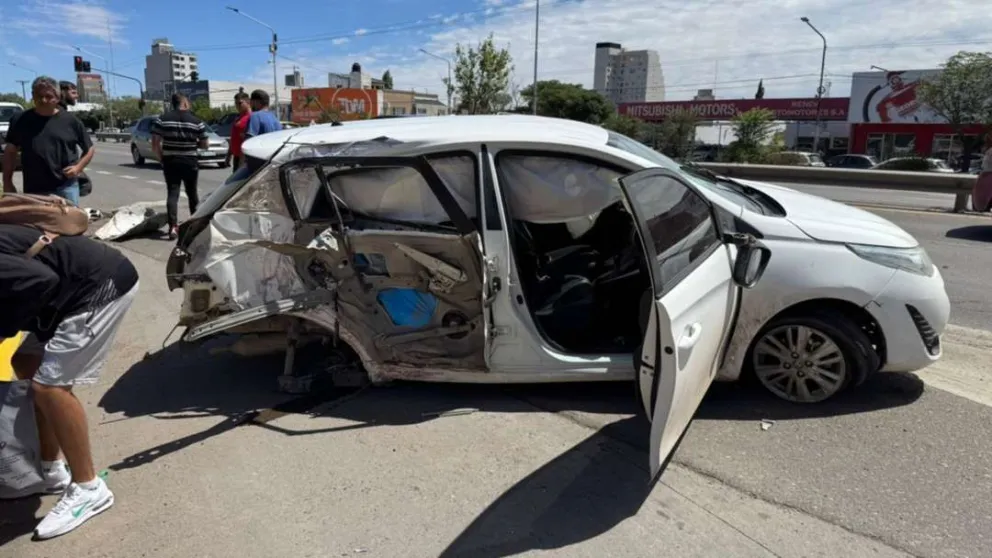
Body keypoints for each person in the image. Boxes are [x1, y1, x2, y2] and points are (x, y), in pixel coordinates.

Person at [0, 224, 139, 539]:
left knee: (50, 387)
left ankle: (89, 488)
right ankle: (51, 470)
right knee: (25, 361)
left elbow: (39, 281)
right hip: (65, 290)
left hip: (99, 285)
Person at [1, 76, 94, 206]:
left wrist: (78, 167)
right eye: (38, 95)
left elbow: (89, 148)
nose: (43, 100)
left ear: (57, 97)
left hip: (66, 186)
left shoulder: (71, 121)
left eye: (48, 96)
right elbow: (10, 152)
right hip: (34, 189)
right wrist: (7, 181)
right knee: (35, 224)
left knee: (68, 223)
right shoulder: (20, 120)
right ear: (32, 95)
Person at [151, 93, 208, 240]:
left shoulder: (162, 119)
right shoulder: (196, 121)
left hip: (171, 161)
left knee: (172, 194)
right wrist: (193, 144)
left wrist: (161, 158)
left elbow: (155, 143)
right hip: (190, 162)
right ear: (184, 103)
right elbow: (205, 144)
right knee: (192, 193)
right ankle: (194, 225)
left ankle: (173, 227)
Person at [225, 91, 252, 172]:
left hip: (245, 158)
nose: (237, 106)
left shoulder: (252, 117)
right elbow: (234, 137)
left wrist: (243, 160)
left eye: (240, 103)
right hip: (236, 157)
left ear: (248, 102)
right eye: (236, 103)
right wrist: (229, 154)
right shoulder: (238, 118)